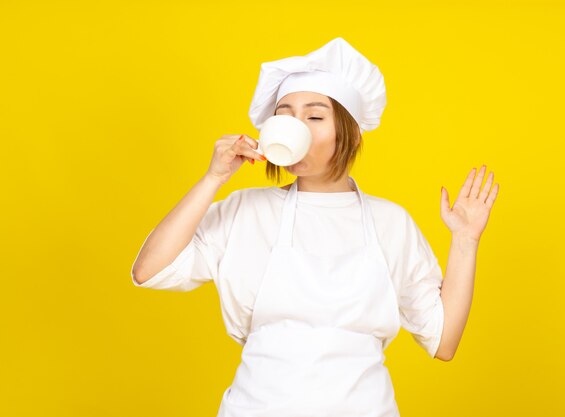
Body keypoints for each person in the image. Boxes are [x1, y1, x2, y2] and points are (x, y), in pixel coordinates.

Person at [130, 37, 499, 417]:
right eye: (285, 116)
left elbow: (443, 342)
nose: (296, 126)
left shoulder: (391, 223)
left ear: (350, 132)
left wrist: (465, 240)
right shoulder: (247, 210)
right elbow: (149, 270)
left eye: (315, 116)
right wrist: (212, 179)